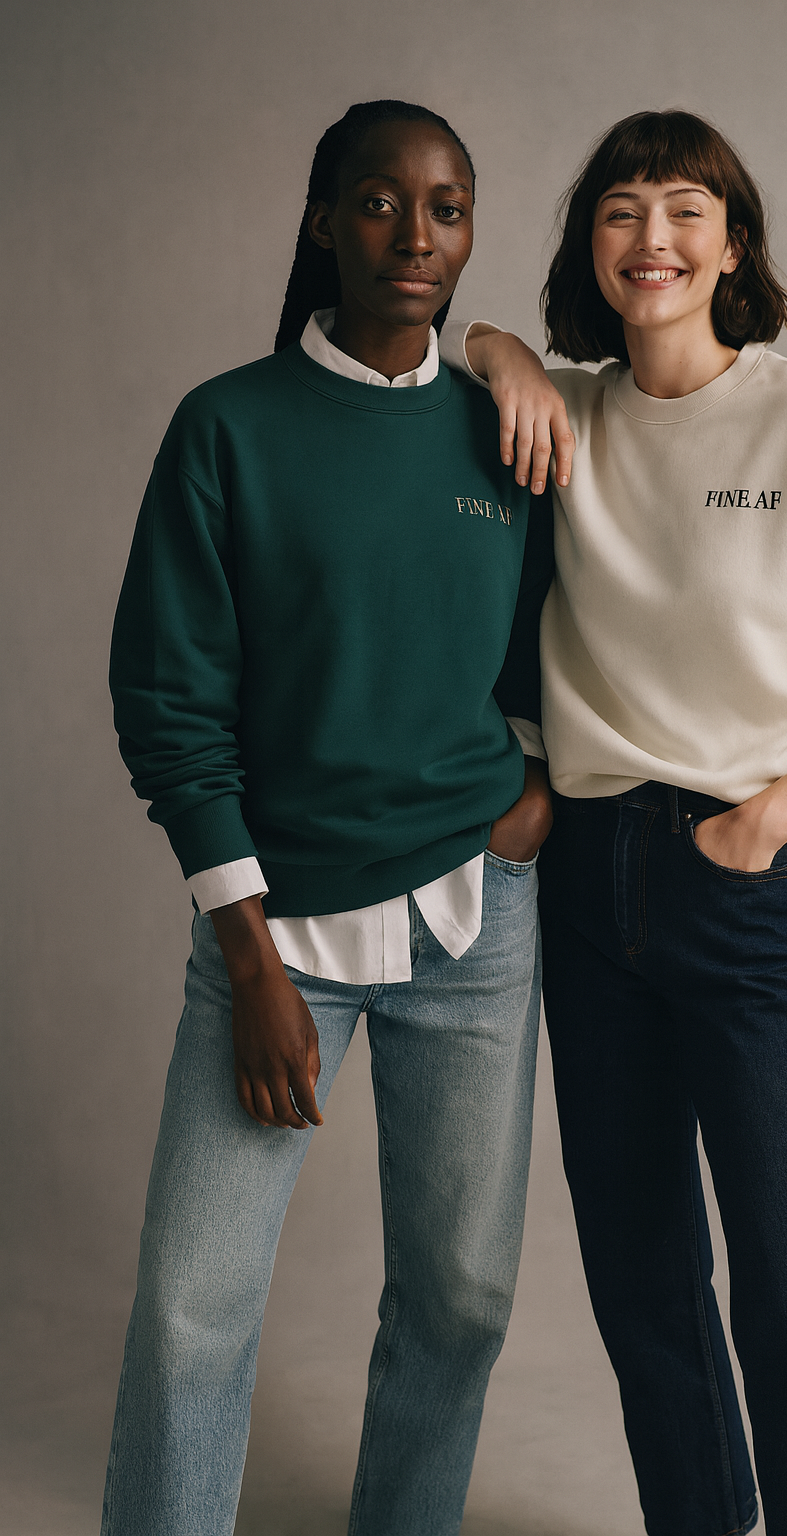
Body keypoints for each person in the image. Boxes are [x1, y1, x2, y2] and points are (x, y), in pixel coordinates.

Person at [439, 109, 787, 1536]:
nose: (653, 238)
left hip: (746, 883)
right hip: (589, 883)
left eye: (686, 209)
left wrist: (775, 819)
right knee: (641, 1279)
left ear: (733, 244)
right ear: (591, 246)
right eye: (621, 211)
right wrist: (499, 351)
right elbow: (446, 352)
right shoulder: (560, 416)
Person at [104, 99, 555, 1536]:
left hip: (477, 923)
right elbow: (169, 700)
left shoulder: (504, 429)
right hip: (276, 928)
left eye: (448, 207)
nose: (415, 237)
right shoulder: (228, 427)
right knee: (194, 1306)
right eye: (378, 201)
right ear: (321, 220)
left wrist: (534, 779)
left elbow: (551, 644)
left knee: (465, 1297)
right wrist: (247, 963)